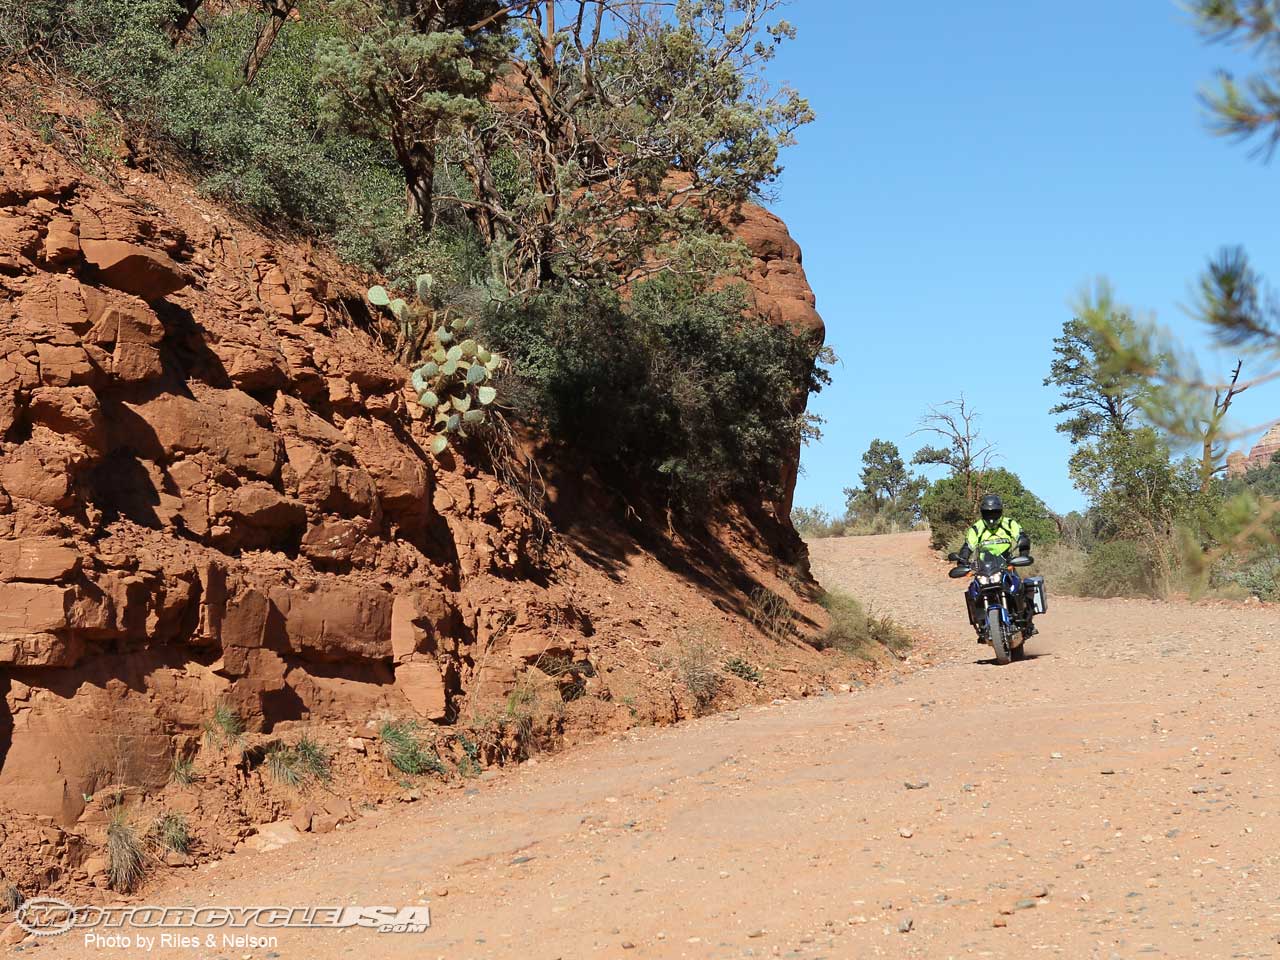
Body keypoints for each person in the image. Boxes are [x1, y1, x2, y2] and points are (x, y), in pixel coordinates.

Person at [956, 494, 1033, 636]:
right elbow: (968, 545)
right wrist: (962, 559)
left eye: (995, 512)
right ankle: (980, 623)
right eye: (988, 513)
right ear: (982, 513)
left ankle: (1026, 620)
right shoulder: (977, 528)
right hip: (984, 567)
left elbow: (1022, 537)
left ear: (1001, 511)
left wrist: (1023, 553)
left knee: (1019, 586)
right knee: (973, 591)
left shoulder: (1009, 524)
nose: (991, 516)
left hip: (1006, 563)